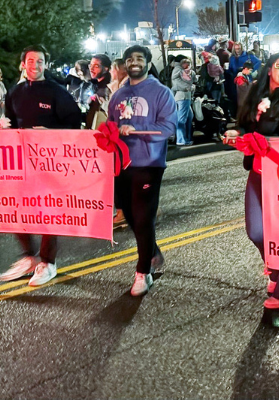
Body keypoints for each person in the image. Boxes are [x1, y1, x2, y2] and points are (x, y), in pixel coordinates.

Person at [224, 52, 279, 310]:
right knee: (256, 231)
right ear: (269, 69)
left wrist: (262, 141)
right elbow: (245, 126)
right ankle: (275, 267)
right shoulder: (255, 97)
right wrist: (237, 133)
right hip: (258, 173)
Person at [0, 45, 82, 287]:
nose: (35, 65)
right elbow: (11, 123)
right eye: (31, 61)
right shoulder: (14, 92)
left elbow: (75, 127)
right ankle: (28, 256)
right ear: (23, 64)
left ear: (46, 64)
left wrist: (51, 133)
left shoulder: (57, 92)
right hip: (22, 162)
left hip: (52, 163)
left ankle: (48, 262)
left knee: (49, 212)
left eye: (41, 61)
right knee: (16, 208)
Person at [108, 45, 177, 296]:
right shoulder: (118, 95)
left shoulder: (161, 93)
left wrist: (135, 128)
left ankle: (143, 272)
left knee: (143, 216)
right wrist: (112, 130)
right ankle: (152, 251)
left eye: (139, 58)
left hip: (149, 164)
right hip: (122, 165)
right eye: (129, 59)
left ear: (147, 62)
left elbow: (168, 128)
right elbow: (110, 124)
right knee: (129, 214)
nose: (134, 62)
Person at [171, 56, 196, 146]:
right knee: (182, 118)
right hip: (183, 97)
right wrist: (189, 87)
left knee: (189, 116)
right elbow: (178, 82)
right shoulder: (179, 71)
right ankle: (181, 140)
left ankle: (187, 138)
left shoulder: (184, 71)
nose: (187, 65)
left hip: (184, 97)